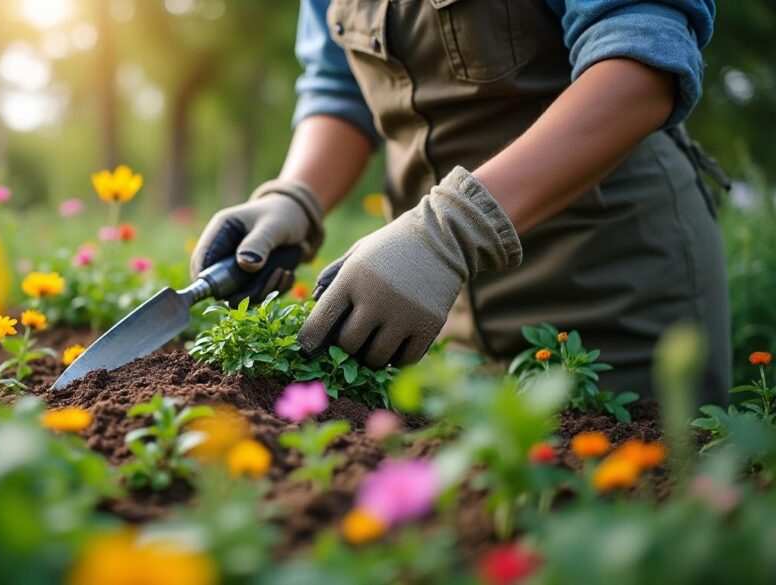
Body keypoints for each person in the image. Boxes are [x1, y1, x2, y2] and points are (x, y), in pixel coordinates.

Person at [189, 0, 730, 404]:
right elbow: (340, 86)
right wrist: (295, 195)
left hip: (614, 288)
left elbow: (641, 65)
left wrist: (453, 229)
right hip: (433, 300)